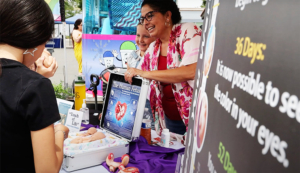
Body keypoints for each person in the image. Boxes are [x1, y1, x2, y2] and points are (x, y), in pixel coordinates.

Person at [0, 0, 69, 172]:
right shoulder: (36, 87)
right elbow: (48, 170)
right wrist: (59, 132)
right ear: (36, 39)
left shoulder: (32, 84)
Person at [125, 0, 201, 141]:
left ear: (167, 15)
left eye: (149, 16)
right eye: (143, 19)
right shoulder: (154, 47)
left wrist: (145, 73)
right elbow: (137, 79)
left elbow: (193, 71)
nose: (145, 23)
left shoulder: (188, 31)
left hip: (196, 119)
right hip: (168, 121)